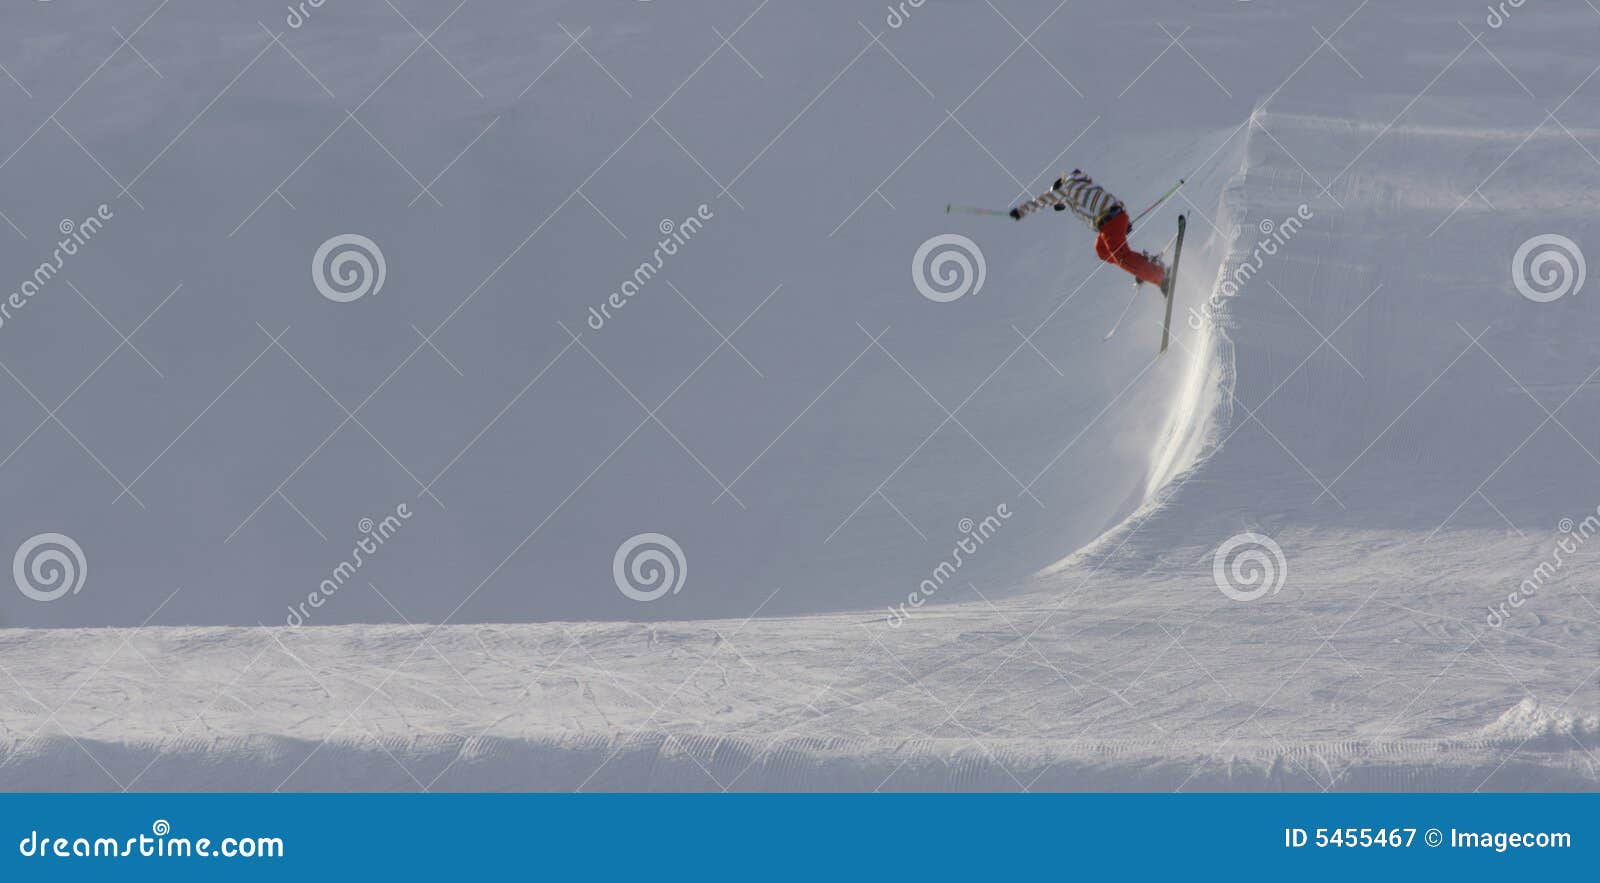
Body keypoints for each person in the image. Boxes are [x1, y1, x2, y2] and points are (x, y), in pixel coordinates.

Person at [1010, 170, 1168, 292]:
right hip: (1113, 217)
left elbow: (1044, 200)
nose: (1062, 205)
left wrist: (1022, 210)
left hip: (1110, 220)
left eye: (1059, 204)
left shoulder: (1066, 189)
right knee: (1101, 250)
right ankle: (1145, 267)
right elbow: (1110, 199)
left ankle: (1161, 276)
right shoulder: (1084, 185)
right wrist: (1123, 221)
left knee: (1120, 256)